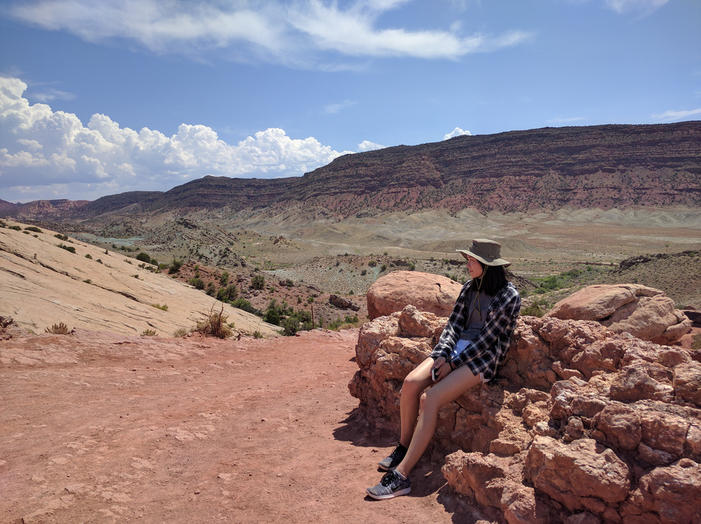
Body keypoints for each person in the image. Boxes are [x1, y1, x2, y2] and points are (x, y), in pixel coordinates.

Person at [366, 239, 521, 500]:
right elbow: (452, 326)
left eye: (471, 261)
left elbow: (487, 340)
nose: (467, 264)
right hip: (455, 352)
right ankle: (404, 447)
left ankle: (401, 477)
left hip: (483, 359)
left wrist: (453, 363)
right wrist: (443, 354)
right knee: (411, 383)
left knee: (430, 398)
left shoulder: (509, 297)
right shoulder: (470, 288)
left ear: (486, 265)